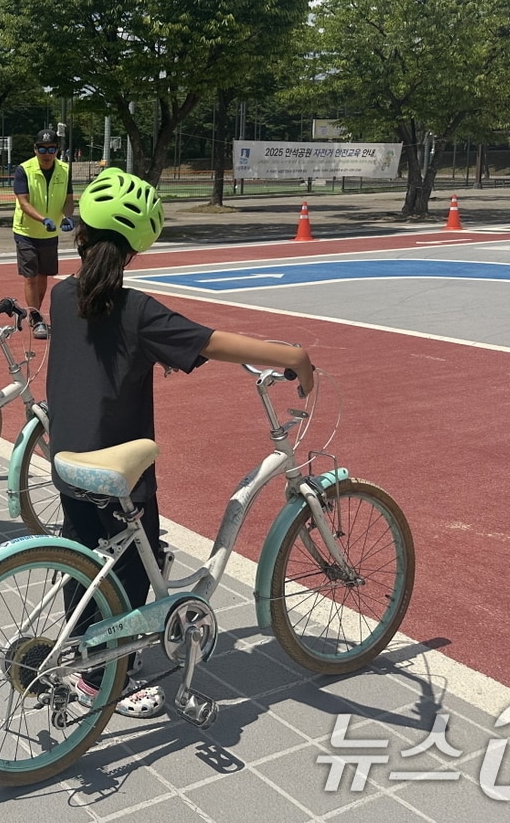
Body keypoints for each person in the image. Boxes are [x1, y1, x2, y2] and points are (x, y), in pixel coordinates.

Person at [48, 167, 315, 716]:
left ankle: (82, 649)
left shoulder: (60, 296)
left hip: (66, 454)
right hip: (120, 464)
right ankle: (102, 677)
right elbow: (209, 342)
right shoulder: (138, 312)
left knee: (85, 554)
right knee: (125, 568)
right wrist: (292, 356)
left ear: (81, 235)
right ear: (137, 251)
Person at [12, 127, 74, 339]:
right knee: (30, 276)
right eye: (42, 148)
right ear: (35, 149)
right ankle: (36, 316)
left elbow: (68, 200)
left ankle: (33, 313)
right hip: (26, 231)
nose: (46, 153)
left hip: (50, 233)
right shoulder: (24, 170)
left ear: (57, 149)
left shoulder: (65, 170)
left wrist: (66, 217)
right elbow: (23, 202)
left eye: (51, 148)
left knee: (44, 275)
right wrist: (43, 219)